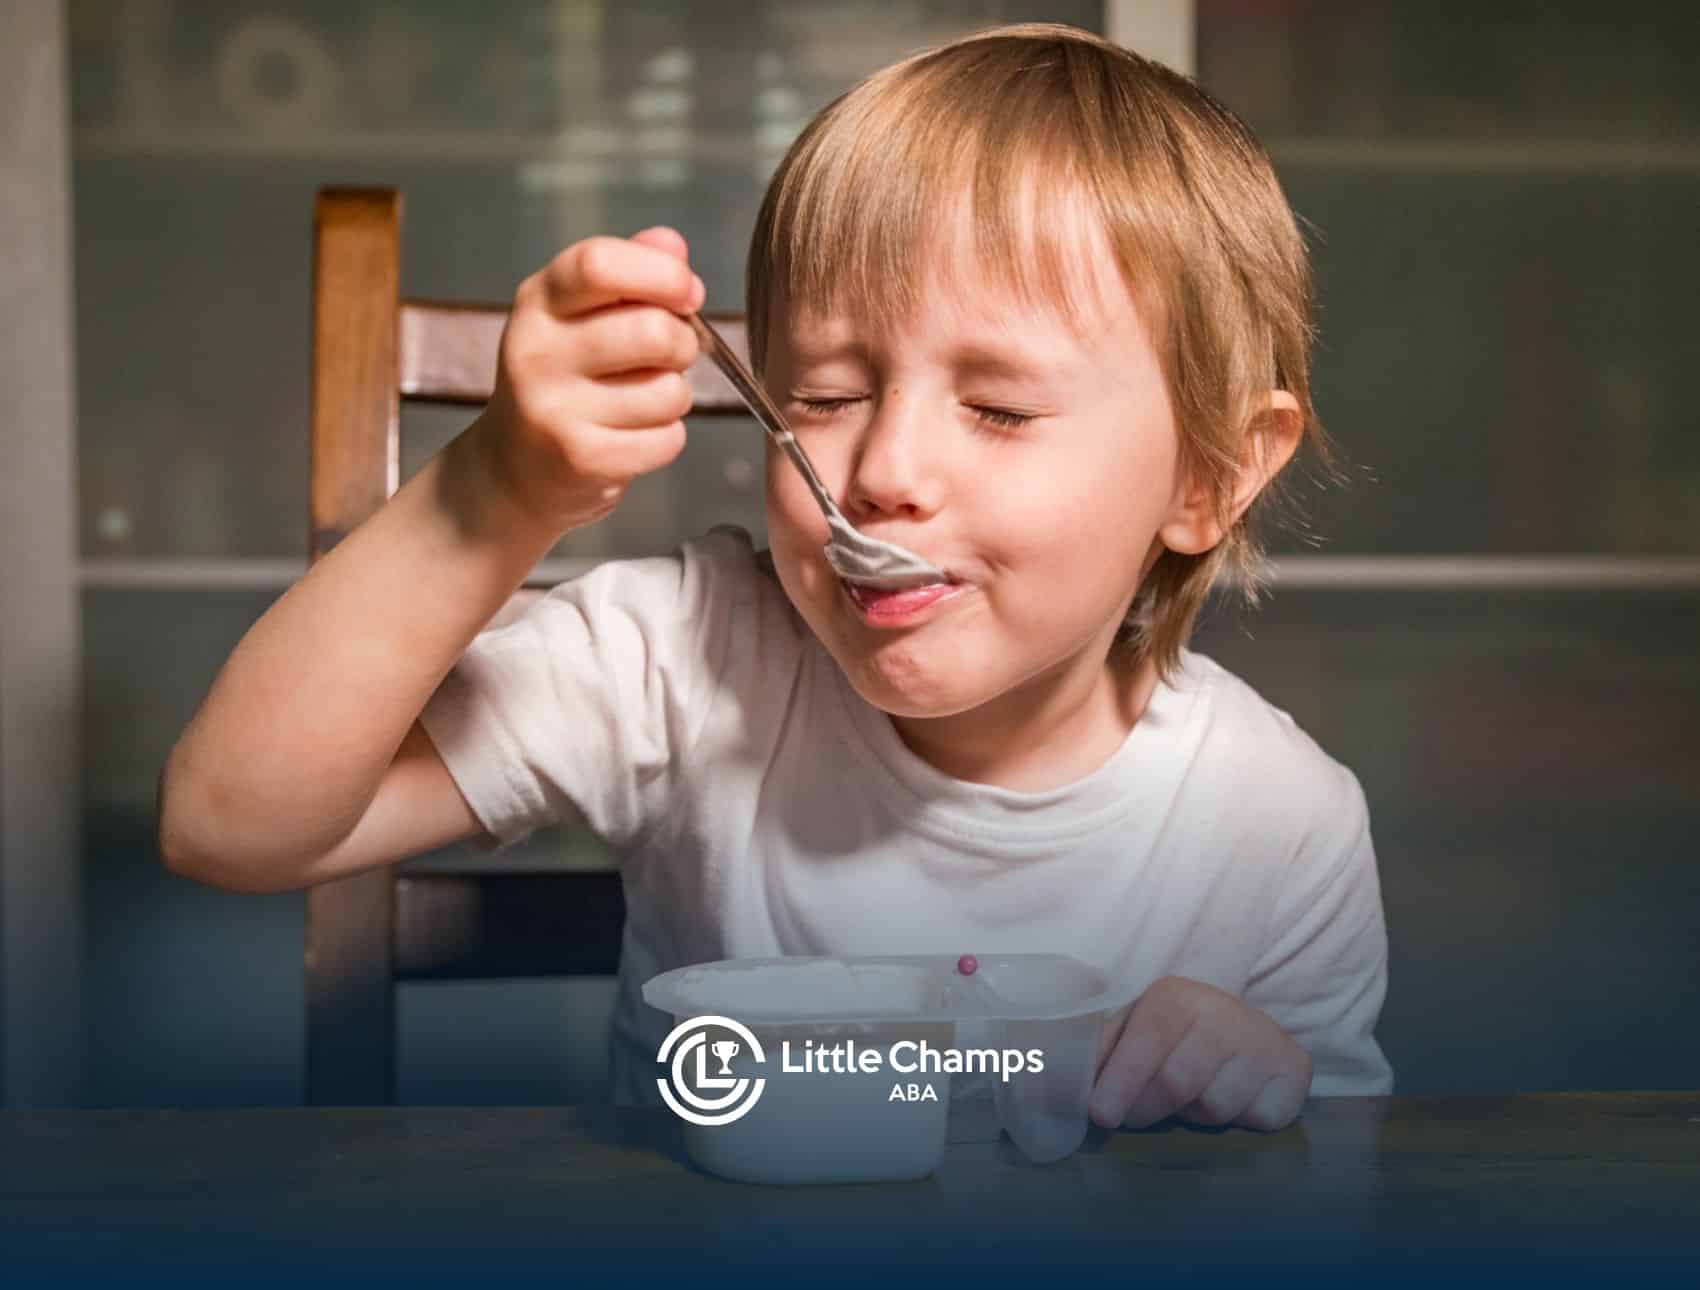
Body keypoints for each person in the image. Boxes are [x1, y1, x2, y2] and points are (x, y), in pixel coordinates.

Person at [159, 23, 1393, 1132]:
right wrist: (494, 494)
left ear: (1211, 474)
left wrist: (1257, 1091)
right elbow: (228, 825)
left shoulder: (1278, 827)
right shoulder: (685, 655)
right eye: (824, 396)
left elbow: (1345, 1191)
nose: (885, 470)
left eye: (1000, 408)